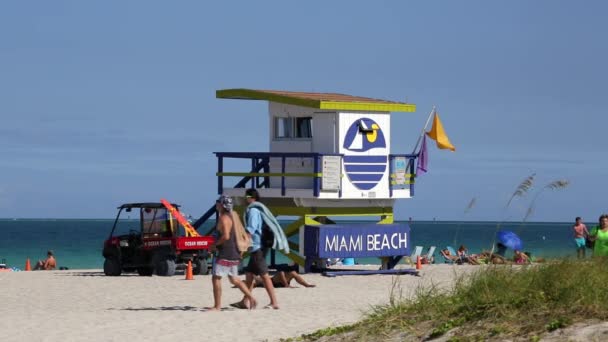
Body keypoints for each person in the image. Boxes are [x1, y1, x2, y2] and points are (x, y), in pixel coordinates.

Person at [234, 188, 279, 310]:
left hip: (257, 247)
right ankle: (245, 301)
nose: (245, 198)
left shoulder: (253, 210)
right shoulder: (257, 209)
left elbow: (251, 229)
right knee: (249, 274)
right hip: (257, 247)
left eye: (246, 196)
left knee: (264, 275)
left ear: (251, 197)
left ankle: (274, 302)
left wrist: (242, 246)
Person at [209, 195, 256, 311]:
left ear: (221, 205)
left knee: (216, 278)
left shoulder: (223, 218)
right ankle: (251, 298)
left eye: (217, 202)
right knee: (234, 279)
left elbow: (226, 236)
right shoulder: (233, 217)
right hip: (234, 252)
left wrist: (215, 245)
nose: (216, 204)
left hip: (225, 253)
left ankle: (217, 306)